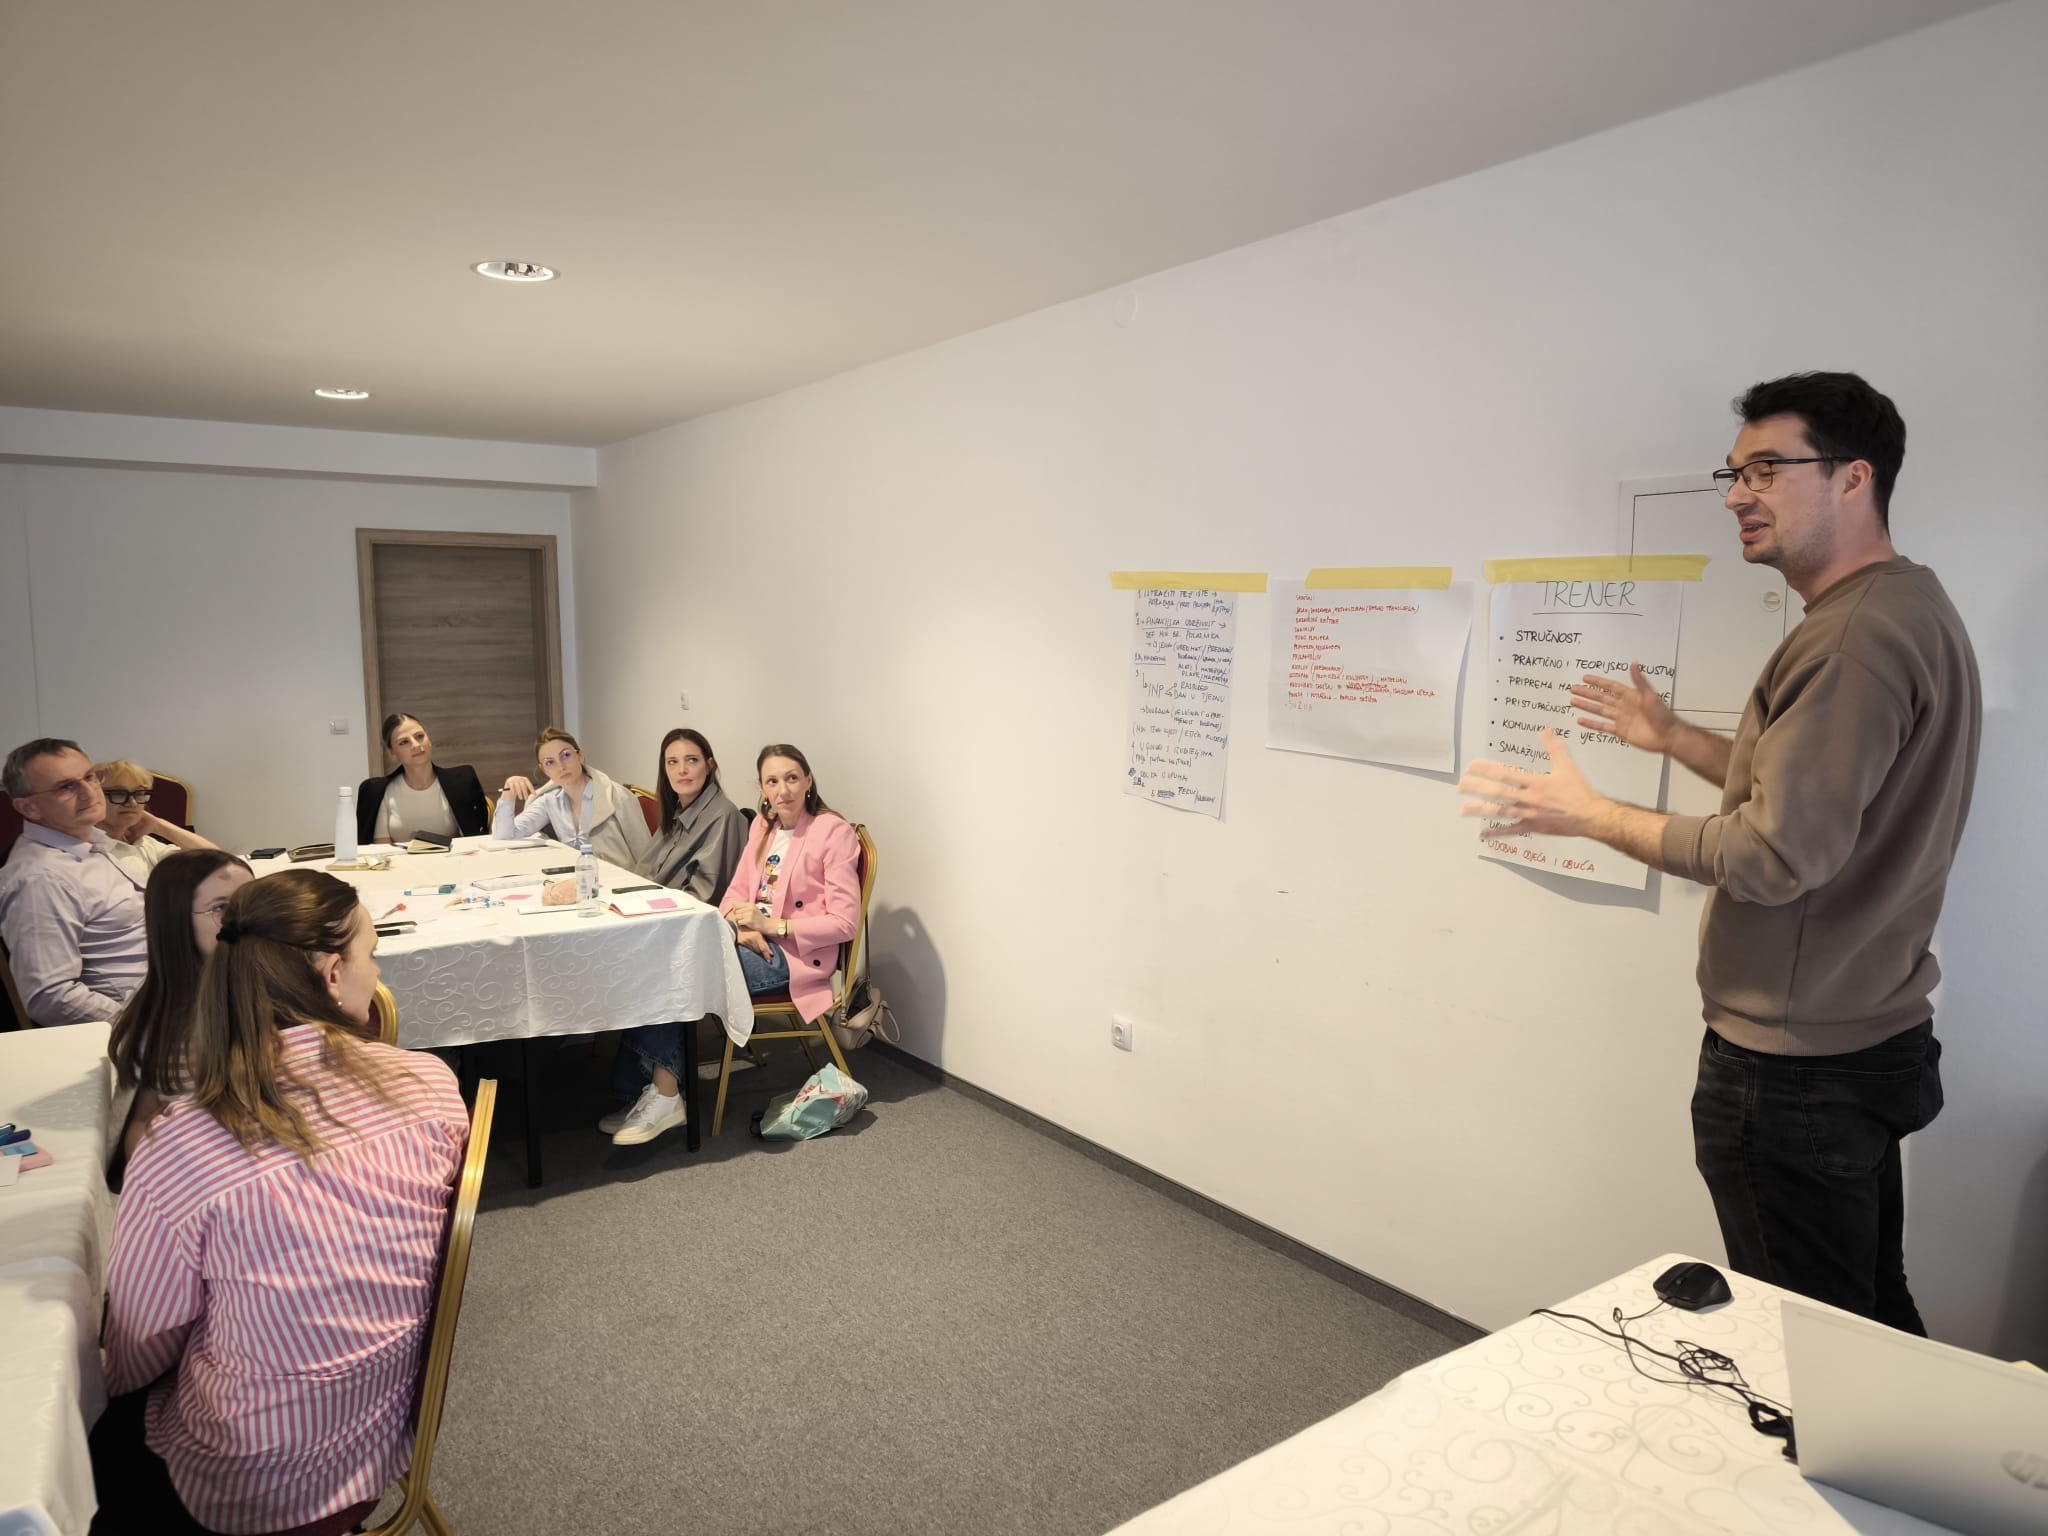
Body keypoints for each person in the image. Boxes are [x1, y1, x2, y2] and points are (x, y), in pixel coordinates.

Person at [1457, 372, 1978, 1333]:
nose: (1738, 495)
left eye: (1767, 469)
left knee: (1810, 1339)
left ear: (1854, 476)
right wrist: (1676, 740)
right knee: (1868, 1316)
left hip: (1797, 1067)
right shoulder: (1909, 606)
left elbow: (1772, 854)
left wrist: (1594, 815)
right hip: (1867, 1035)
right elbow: (1815, 797)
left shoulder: (1851, 640)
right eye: (1733, 474)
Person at [90, 868, 469, 1536]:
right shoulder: (431, 1084)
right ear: (331, 974)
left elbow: (135, 1356)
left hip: (253, 1484)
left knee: (82, 1434)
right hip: (385, 1426)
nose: (377, 970)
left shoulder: (180, 1147)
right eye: (372, 953)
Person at [603, 744, 861, 1146]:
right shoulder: (764, 827)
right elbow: (734, 894)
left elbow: (845, 923)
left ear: (808, 781)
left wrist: (771, 925)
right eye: (772, 781)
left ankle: (664, 1094)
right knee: (663, 962)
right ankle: (648, 1092)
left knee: (680, 972)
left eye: (792, 778)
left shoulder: (833, 832)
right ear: (761, 787)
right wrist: (741, 928)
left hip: (792, 956)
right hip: (750, 940)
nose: (783, 790)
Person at [107, 849, 253, 1168]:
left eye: (251, 903)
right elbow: (145, 1118)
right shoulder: (162, 1016)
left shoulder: (270, 989)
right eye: (221, 908)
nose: (244, 920)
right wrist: (156, 1181)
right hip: (210, 1163)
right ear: (176, 921)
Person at [0, 737, 147, 1027]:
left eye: (89, 777)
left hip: (176, 993)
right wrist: (142, 1029)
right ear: (29, 808)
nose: (90, 792)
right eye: (66, 787)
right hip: (141, 1022)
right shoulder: (40, 879)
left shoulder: (92, 843)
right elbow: (51, 997)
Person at [493, 726, 653, 870]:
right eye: (550, 762)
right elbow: (504, 836)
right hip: (576, 882)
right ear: (544, 770)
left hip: (619, 881)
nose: (561, 767)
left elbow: (647, 857)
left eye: (566, 755)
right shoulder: (549, 801)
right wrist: (508, 793)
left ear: (580, 756)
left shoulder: (617, 796)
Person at [638, 727, 749, 903]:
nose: (682, 770)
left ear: (709, 766)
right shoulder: (675, 811)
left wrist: (646, 906)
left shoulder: (724, 816)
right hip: (647, 905)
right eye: (672, 762)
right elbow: (642, 874)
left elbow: (704, 898)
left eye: (692, 760)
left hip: (679, 915)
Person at [356, 712, 491, 844]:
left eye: (420, 736)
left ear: (429, 740)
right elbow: (382, 852)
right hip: (400, 859)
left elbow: (473, 840)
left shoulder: (463, 782)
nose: (416, 745)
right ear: (392, 752)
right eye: (404, 742)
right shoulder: (378, 792)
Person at [94, 759, 219, 885]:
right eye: (118, 793)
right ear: (93, 798)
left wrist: (158, 825)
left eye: (139, 793)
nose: (133, 803)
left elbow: (216, 861)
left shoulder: (144, 844)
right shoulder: (88, 849)